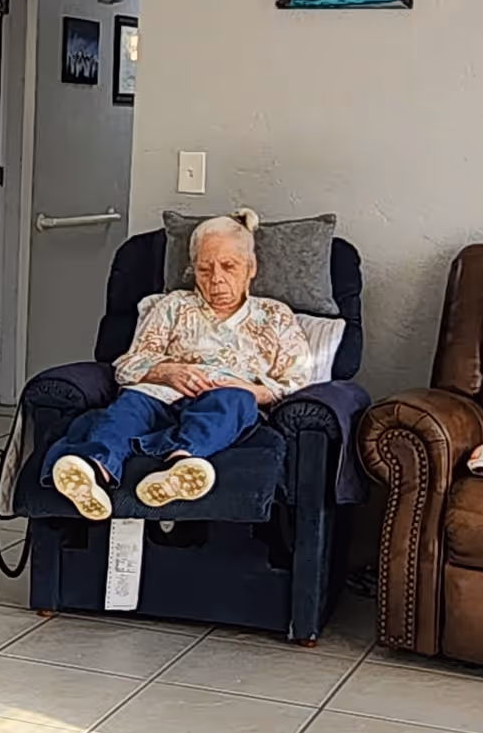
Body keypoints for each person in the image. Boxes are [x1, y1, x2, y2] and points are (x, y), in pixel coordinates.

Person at [42, 212, 317, 518]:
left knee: (234, 401)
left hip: (224, 399)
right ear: (193, 270)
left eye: (229, 267)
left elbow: (299, 380)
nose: (216, 280)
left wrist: (254, 390)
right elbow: (127, 365)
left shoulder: (275, 316)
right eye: (204, 269)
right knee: (130, 405)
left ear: (251, 268)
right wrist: (165, 372)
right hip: (160, 395)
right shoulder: (173, 306)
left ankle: (181, 465)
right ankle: (94, 471)